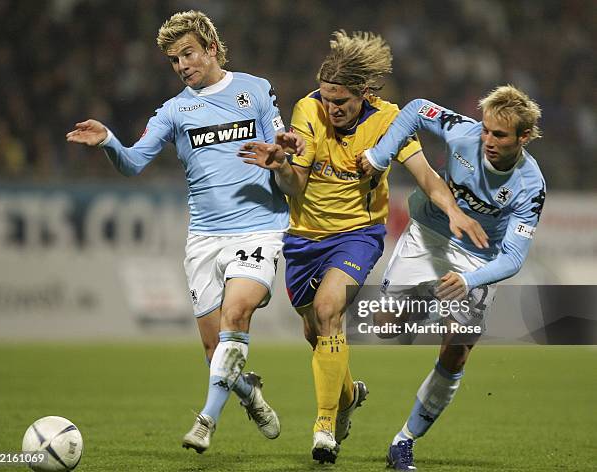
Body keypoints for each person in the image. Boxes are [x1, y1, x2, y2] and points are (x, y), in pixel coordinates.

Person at [238, 31, 487, 464]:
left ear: (364, 94)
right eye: (328, 98)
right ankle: (349, 396)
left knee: (329, 309)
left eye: (343, 101)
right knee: (316, 334)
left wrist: (452, 210)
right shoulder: (307, 110)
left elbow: (426, 176)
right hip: (303, 237)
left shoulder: (389, 119)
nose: (333, 108)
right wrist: (280, 167)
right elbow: (295, 186)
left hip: (358, 233)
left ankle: (325, 426)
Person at [66, 10, 304, 454]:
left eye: (188, 54)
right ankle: (248, 392)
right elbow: (134, 163)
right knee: (216, 351)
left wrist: (283, 162)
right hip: (203, 239)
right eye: (174, 60)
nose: (182, 66)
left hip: (259, 230)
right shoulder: (175, 110)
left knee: (237, 316)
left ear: (211, 48)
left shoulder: (255, 90)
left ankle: (205, 420)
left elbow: (289, 177)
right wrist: (109, 143)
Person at [357, 84, 546, 470]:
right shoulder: (463, 131)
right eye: (487, 130)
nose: (488, 140)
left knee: (457, 351)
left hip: (477, 261)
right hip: (429, 235)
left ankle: (404, 442)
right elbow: (414, 108)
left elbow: (512, 258)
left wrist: (471, 281)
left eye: (500, 135)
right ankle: (427, 299)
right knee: (386, 324)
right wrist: (379, 156)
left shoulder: (531, 187)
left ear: (524, 137)